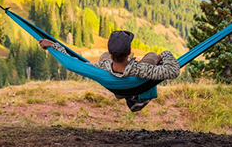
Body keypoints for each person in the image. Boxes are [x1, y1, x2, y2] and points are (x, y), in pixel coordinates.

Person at [38, 30, 180, 112]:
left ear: (111, 53)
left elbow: (72, 62)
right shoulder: (142, 69)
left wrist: (54, 46)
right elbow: (173, 71)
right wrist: (164, 54)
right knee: (151, 55)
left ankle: (132, 95)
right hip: (137, 84)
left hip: (117, 86)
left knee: (102, 58)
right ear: (129, 51)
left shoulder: (101, 68)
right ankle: (140, 97)